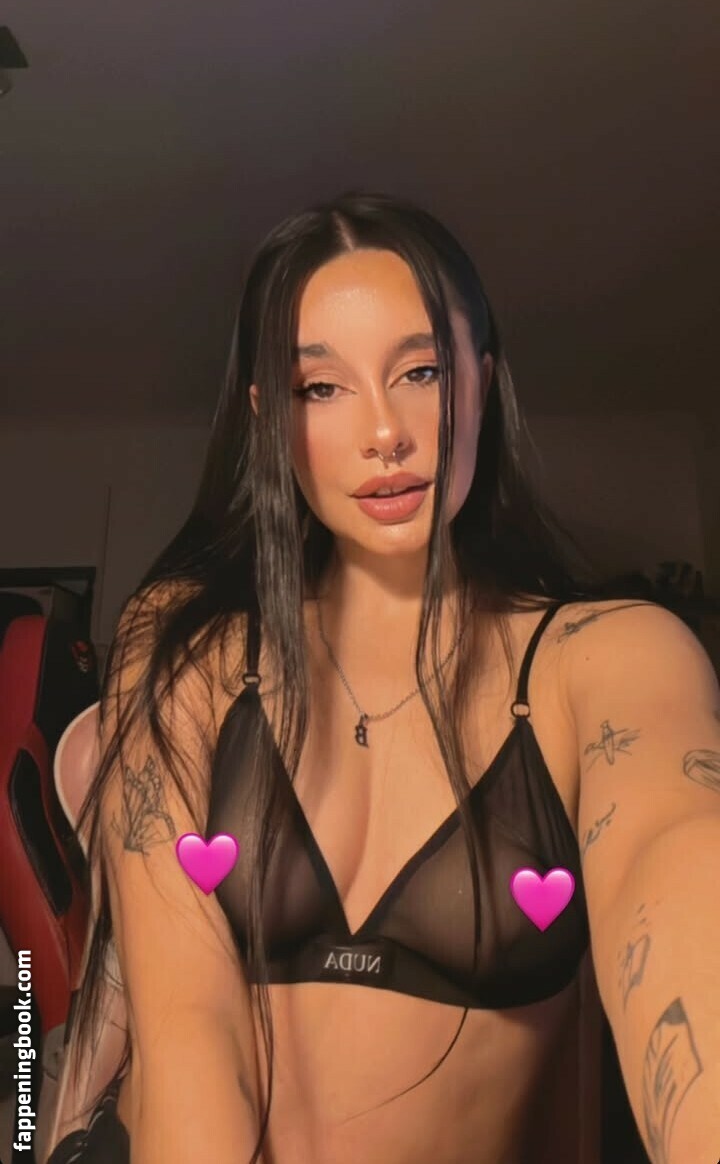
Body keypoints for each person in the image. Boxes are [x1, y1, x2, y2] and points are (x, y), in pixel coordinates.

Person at [47, 192, 720, 1164]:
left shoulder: (609, 657)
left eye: (420, 371)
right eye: (321, 387)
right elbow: (193, 1034)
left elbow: (679, 867)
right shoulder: (188, 645)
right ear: (268, 417)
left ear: (483, 381)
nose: (384, 433)